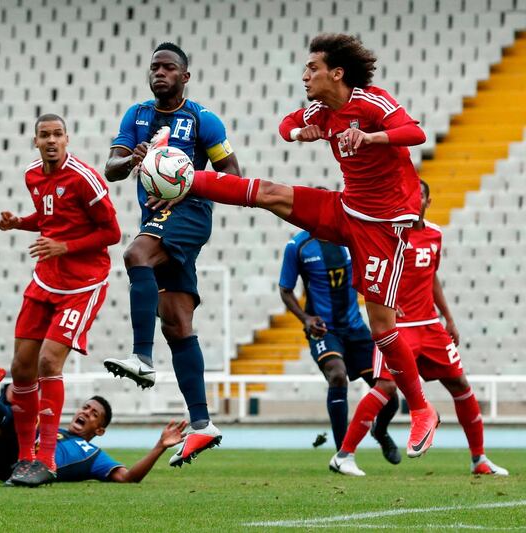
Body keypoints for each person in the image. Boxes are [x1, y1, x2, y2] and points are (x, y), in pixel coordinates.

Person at [169, 33, 440, 458]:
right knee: (272, 194)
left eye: (312, 68)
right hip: (345, 209)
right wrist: (300, 132)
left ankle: (423, 410)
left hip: (385, 227)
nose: (305, 75)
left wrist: (370, 139)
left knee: (382, 327)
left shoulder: (372, 102)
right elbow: (285, 124)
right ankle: (184, 182)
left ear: (337, 72)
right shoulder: (322, 109)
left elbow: (415, 132)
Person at [102, 42, 241, 467]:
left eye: (168, 68)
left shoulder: (203, 119)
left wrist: (185, 177)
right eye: (154, 68)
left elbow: (233, 175)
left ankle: (142, 358)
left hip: (191, 215)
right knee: (178, 323)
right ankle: (202, 424)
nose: (159, 73)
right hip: (156, 218)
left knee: (135, 255)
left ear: (185, 76)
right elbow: (111, 167)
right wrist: (133, 161)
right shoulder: (138, 116)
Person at [329, 180, 508, 476]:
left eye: (419, 195)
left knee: (460, 384)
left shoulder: (436, 234)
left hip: (430, 325)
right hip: (397, 328)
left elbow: (433, 277)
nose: (415, 199)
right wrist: (384, 300)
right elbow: (367, 271)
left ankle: (480, 459)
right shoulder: (387, 232)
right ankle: (344, 455)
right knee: (386, 387)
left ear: (427, 200)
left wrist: (448, 317)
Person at [0, 113, 121, 486]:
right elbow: (50, 216)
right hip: (46, 279)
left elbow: (112, 232)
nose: (51, 141)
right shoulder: (33, 175)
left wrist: (65, 246)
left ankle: (47, 459)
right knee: (21, 368)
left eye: (58, 134)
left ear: (67, 139)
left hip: (83, 283)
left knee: (49, 360)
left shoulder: (84, 179)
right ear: (35, 141)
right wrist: (19, 222)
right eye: (44, 135)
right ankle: (24, 458)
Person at [279, 209, 400, 462]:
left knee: (389, 391)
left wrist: (387, 302)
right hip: (324, 329)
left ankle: (381, 430)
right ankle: (343, 453)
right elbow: (286, 290)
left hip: (356, 328)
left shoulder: (350, 239)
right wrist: (307, 319)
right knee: (337, 376)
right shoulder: (297, 246)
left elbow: (369, 274)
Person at [0, 369, 187, 484]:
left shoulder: (93, 456)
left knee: (22, 418)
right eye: (85, 407)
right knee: (26, 416)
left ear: (100, 430)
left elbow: (129, 477)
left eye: (94, 413)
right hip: (1, 447)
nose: (86, 412)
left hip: (7, 458)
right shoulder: (53, 431)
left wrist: (159, 447)